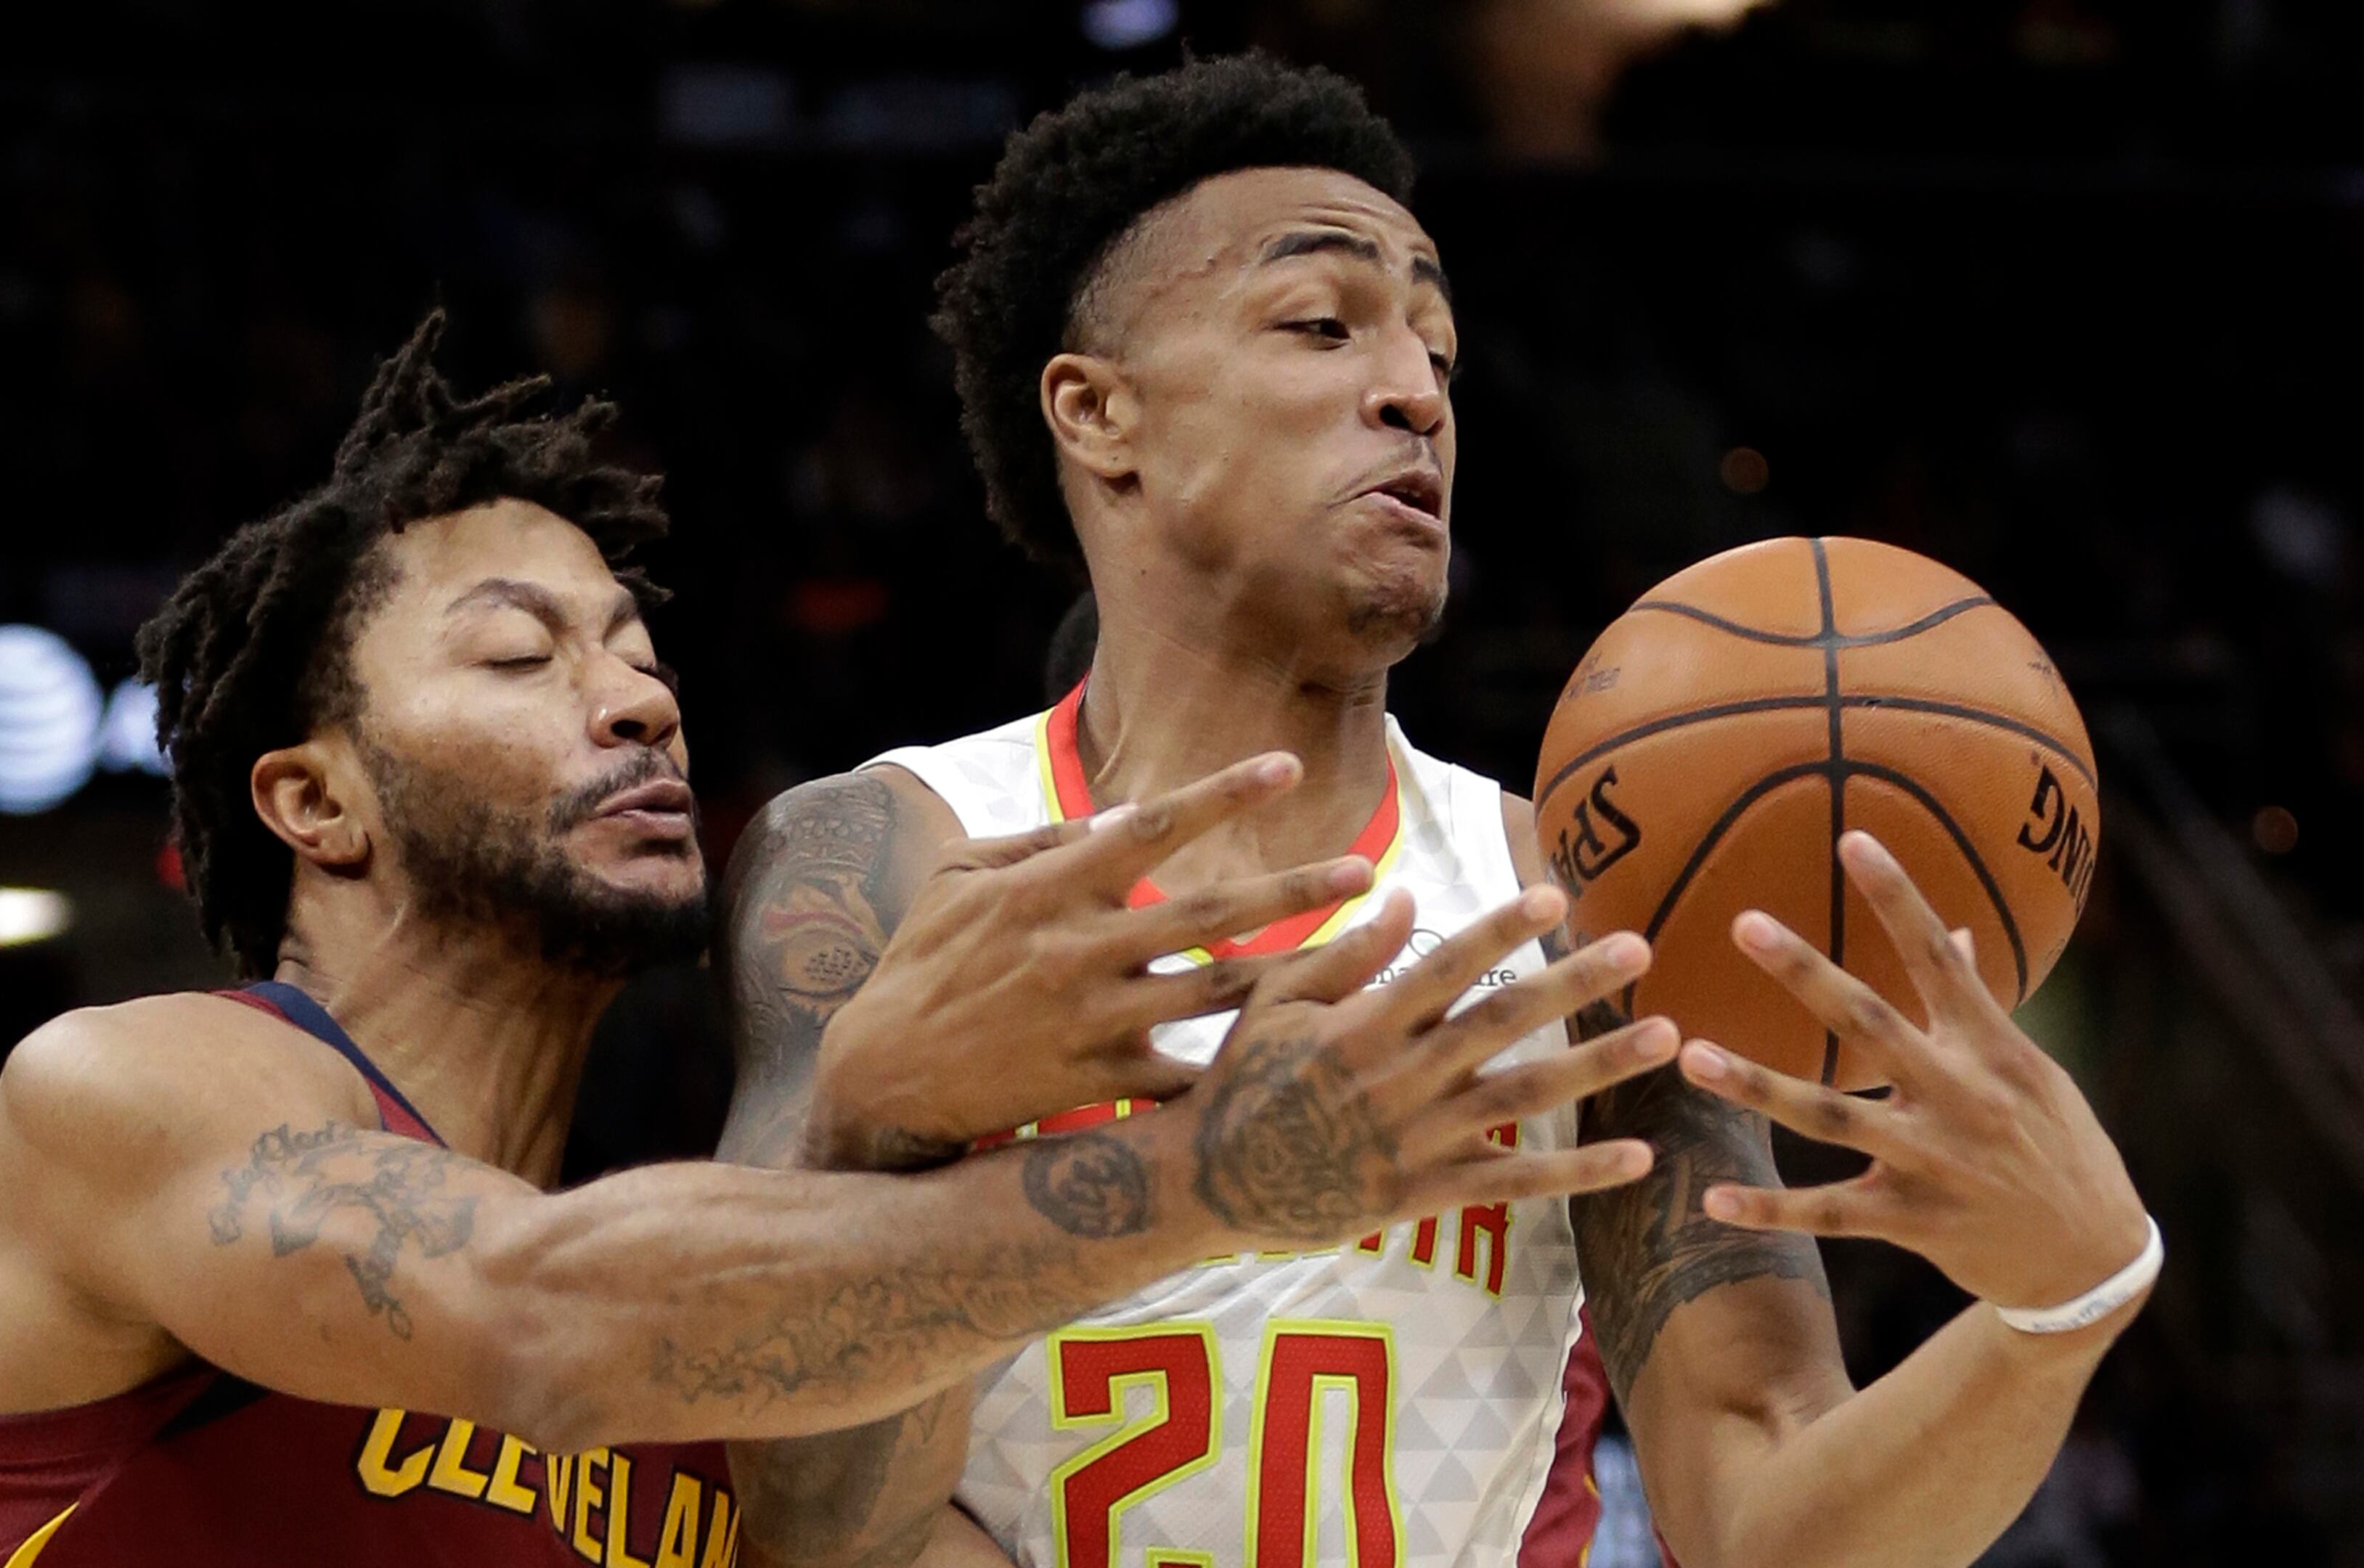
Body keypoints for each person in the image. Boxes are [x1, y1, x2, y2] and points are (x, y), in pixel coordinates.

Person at [0, 312, 1675, 1568]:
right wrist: (1214, 1179)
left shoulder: (746, 1335)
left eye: (634, 651)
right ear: (315, 803)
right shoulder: (131, 1096)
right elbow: (541, 1325)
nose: (634, 704)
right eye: (524, 659)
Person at [718, 56, 2156, 1568]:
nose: (1414, 392)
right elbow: (813, 1525)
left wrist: (2057, 1311)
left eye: (1440, 353)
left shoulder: (1585, 911)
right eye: (1321, 323)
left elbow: (1760, 1516)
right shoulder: (893, 855)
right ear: (1098, 413)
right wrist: (870, 1142)